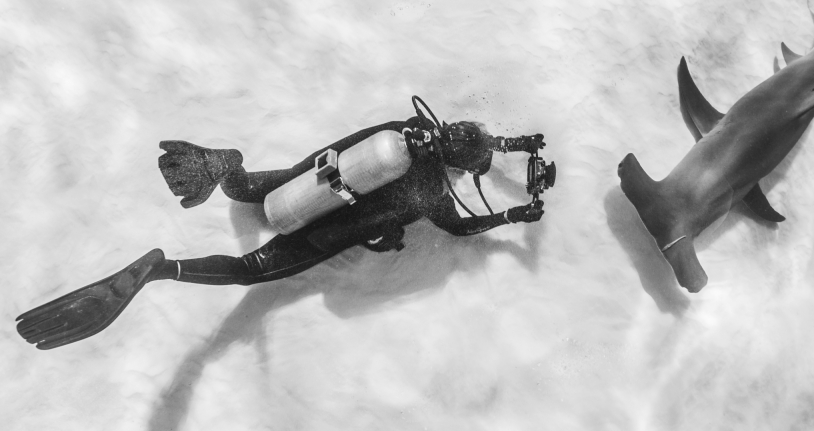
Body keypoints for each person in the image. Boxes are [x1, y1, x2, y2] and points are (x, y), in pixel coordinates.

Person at [16, 101, 548, 350]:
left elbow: (460, 142)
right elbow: (458, 229)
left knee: (245, 191)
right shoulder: (431, 194)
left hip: (306, 180)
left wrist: (514, 144)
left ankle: (223, 164)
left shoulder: (403, 129)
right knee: (250, 270)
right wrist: (513, 216)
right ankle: (162, 269)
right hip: (320, 231)